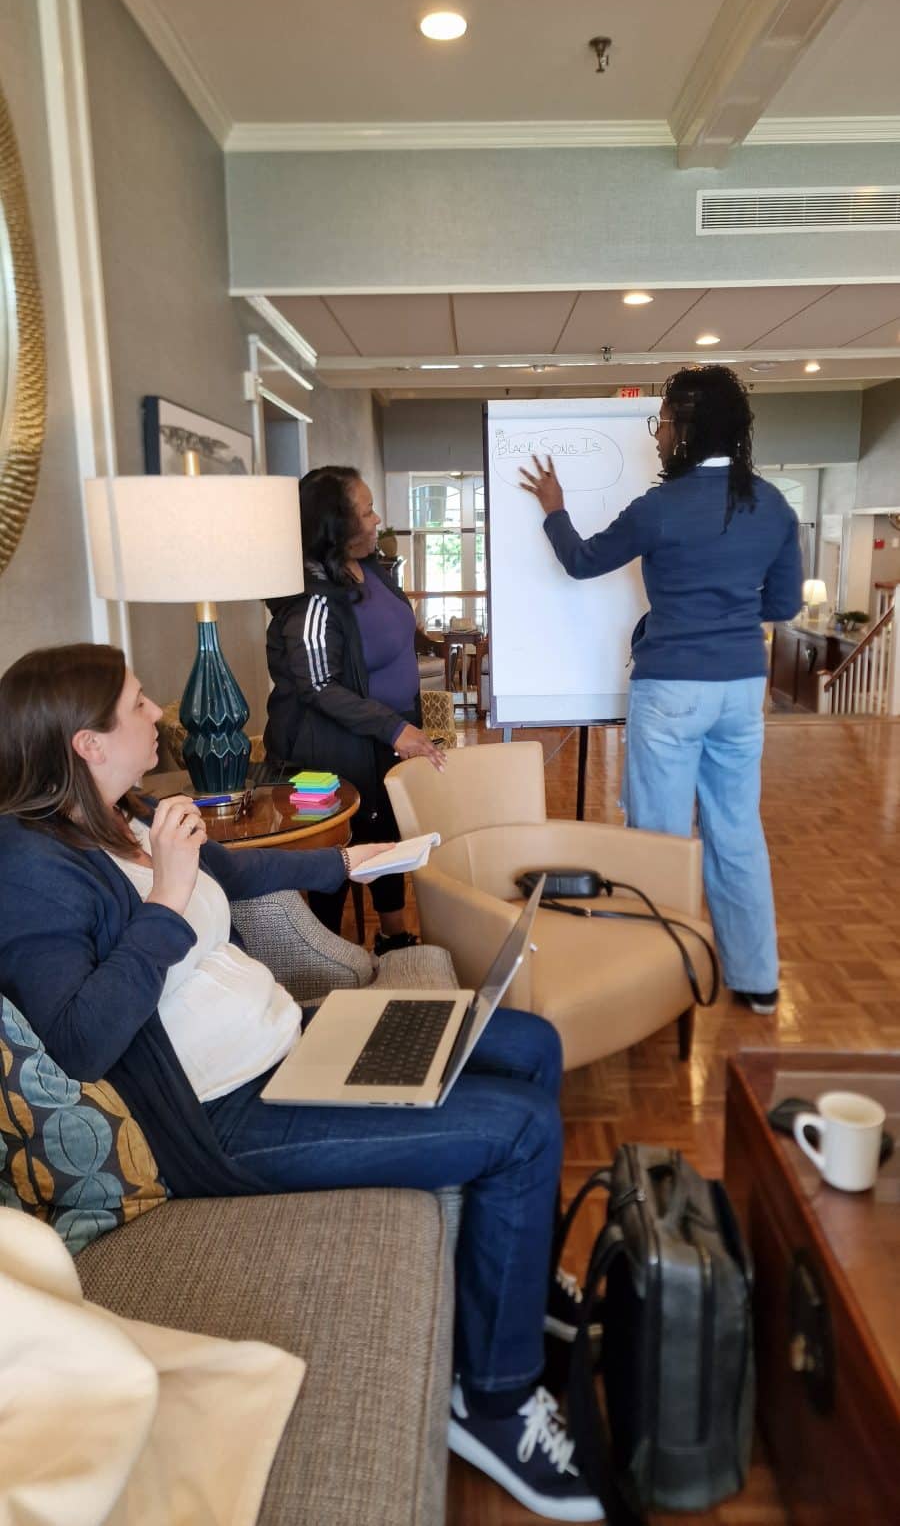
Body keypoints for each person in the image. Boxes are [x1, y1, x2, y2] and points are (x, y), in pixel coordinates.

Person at [0, 643, 604, 1523]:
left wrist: (355, 862)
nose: (156, 708)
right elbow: (85, 1038)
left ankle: (520, 1284)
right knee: (520, 1127)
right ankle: (497, 1402)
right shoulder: (28, 871)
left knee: (533, 1044)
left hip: (296, 1041)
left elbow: (229, 872)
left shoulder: (121, 811)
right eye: (135, 702)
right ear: (86, 741)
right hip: (223, 1121)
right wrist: (164, 903)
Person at [520, 365, 802, 1015]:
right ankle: (756, 980)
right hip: (740, 690)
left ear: (685, 429)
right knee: (737, 831)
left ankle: (661, 983)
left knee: (658, 837)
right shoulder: (774, 504)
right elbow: (782, 602)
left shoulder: (660, 506)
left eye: (663, 422)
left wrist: (554, 509)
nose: (657, 435)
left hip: (671, 686)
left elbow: (583, 560)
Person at [265, 466, 445, 954]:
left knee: (387, 837)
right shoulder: (311, 600)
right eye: (366, 511)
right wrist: (394, 729)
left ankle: (394, 938)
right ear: (335, 526)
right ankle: (328, 959)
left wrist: (402, 727)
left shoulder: (373, 570)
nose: (376, 519)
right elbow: (318, 686)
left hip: (383, 739)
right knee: (339, 854)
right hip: (335, 749)